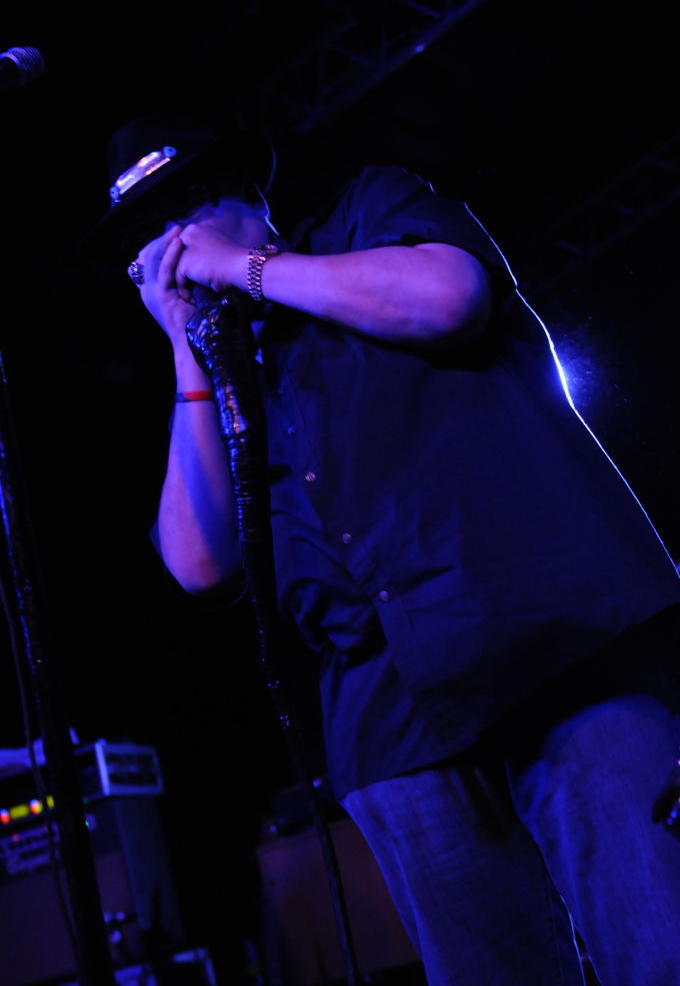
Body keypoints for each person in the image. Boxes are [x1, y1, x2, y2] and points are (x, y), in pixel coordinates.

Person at [85, 113, 680, 985]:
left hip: (558, 651)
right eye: (151, 234)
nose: (175, 244)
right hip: (392, 723)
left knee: (660, 948)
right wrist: (187, 347)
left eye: (188, 209)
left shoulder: (368, 212)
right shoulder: (227, 371)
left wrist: (244, 267)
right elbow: (198, 562)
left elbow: (449, 298)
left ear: (248, 197)